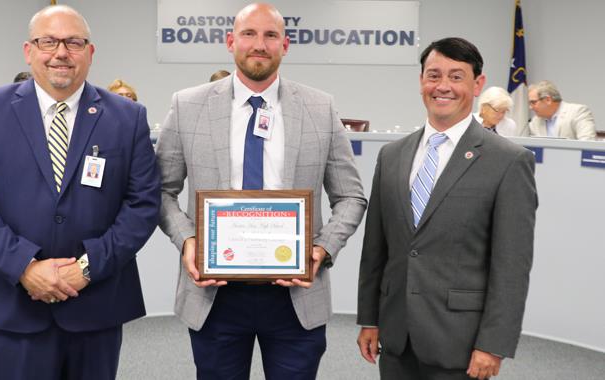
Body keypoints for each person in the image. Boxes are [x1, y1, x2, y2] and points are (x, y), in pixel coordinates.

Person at [156, 3, 367, 379]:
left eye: (270, 35)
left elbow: (351, 195)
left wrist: (321, 249)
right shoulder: (186, 105)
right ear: (230, 41)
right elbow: (161, 191)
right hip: (214, 293)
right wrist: (188, 240)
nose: (259, 44)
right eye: (249, 34)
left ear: (285, 45)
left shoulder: (321, 107)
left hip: (296, 292)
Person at [0, 5, 161, 379]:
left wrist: (86, 268)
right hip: (13, 304)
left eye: (74, 42)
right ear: (28, 50)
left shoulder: (128, 118)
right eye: (48, 41)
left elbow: (142, 204)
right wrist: (25, 267)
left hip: (96, 302)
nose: (61, 52)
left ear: (90, 52)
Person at [356, 37, 537, 380]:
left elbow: (511, 265)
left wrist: (493, 344)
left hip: (462, 344)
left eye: (456, 76)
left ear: (477, 84)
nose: (443, 86)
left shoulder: (509, 161)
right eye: (433, 75)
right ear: (421, 81)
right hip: (396, 337)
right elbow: (376, 248)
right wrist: (370, 317)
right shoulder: (392, 156)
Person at [528, 80, 596, 140]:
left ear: (548, 100)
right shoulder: (535, 121)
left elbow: (587, 141)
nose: (530, 107)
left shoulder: (578, 112)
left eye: (533, 102)